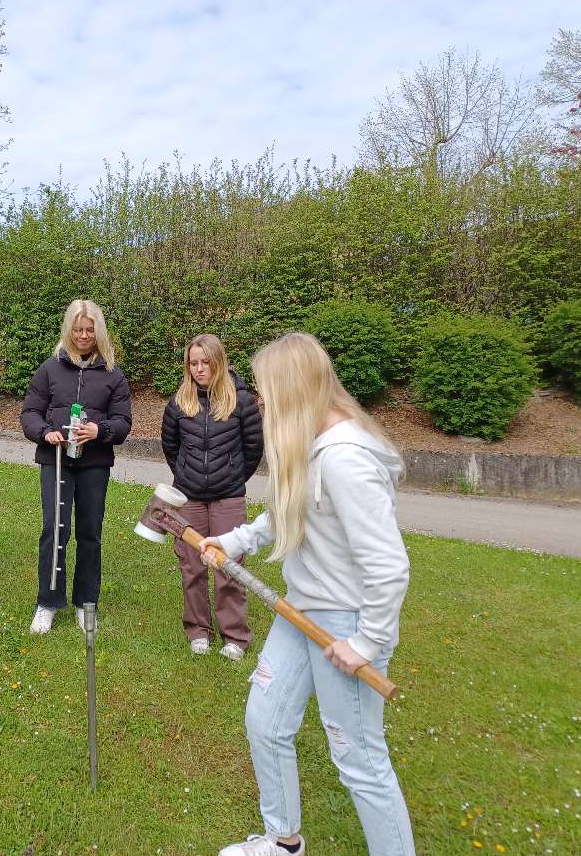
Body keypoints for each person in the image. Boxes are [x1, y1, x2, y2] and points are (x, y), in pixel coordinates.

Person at [200, 333, 416, 856]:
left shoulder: (345, 458)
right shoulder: (310, 449)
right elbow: (284, 517)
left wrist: (366, 643)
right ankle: (283, 841)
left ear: (294, 389)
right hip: (302, 612)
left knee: (358, 758)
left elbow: (389, 566)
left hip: (346, 622)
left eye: (268, 391)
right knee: (266, 721)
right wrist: (229, 541)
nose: (261, 402)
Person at [21, 299, 132, 634]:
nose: (84, 335)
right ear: (68, 330)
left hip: (94, 464)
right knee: (55, 529)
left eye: (90, 329)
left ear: (99, 332)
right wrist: (45, 433)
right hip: (55, 461)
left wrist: (101, 431)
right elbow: (29, 413)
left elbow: (123, 422)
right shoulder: (50, 368)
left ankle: (87, 603)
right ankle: (47, 602)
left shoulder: (113, 375)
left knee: (89, 533)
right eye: (78, 329)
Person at [160, 334, 262, 660]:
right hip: (188, 497)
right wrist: (189, 476)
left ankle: (235, 635)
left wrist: (231, 477)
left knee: (228, 565)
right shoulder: (179, 402)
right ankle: (198, 630)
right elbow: (171, 447)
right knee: (192, 566)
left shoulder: (242, 402)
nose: (200, 369)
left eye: (206, 362)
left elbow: (253, 449)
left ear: (219, 362)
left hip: (228, 497)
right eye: (194, 363)